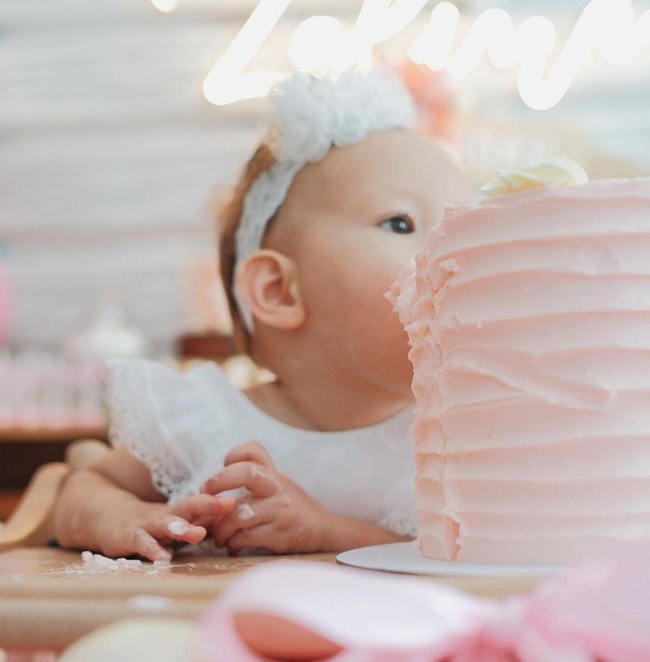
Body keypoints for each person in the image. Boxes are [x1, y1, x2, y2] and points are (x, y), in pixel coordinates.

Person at [52, 67, 471, 562]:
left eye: (463, 227)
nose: (455, 252)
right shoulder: (208, 422)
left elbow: (461, 557)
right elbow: (83, 491)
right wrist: (123, 518)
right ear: (278, 291)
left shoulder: (459, 439)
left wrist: (326, 531)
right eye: (401, 223)